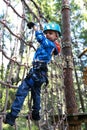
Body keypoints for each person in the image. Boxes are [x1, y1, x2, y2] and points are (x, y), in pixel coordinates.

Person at [4, 22, 61, 126]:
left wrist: (35, 27)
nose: (47, 34)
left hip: (36, 73)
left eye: (50, 33)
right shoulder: (51, 45)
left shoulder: (49, 44)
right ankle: (35, 114)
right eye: (46, 33)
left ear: (56, 36)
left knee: (22, 91)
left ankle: (12, 116)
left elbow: (40, 38)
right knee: (36, 94)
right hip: (40, 74)